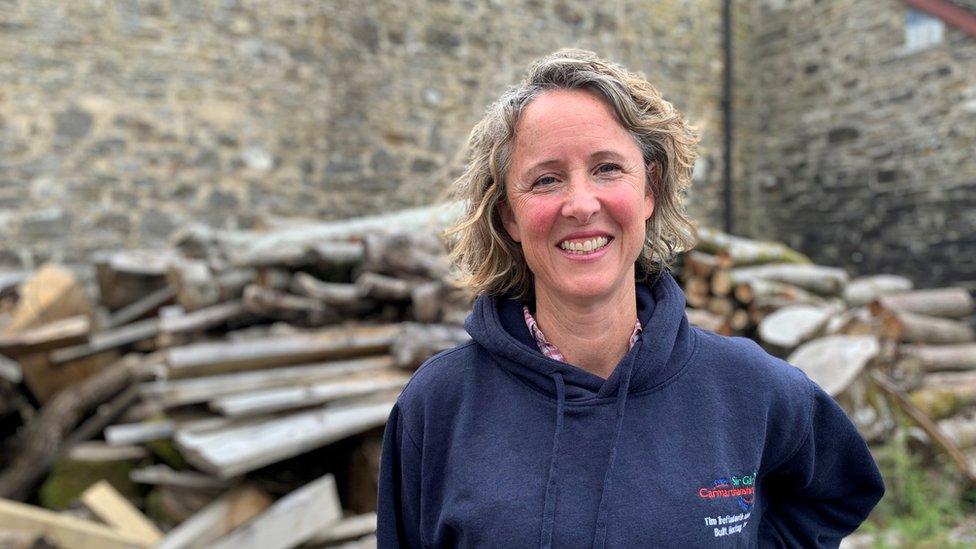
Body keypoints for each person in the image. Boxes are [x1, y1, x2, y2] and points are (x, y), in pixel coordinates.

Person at [377, 49, 884, 548]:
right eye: (546, 179)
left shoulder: (750, 390)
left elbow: (839, 493)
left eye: (607, 169)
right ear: (509, 215)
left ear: (649, 190)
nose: (580, 204)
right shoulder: (437, 407)